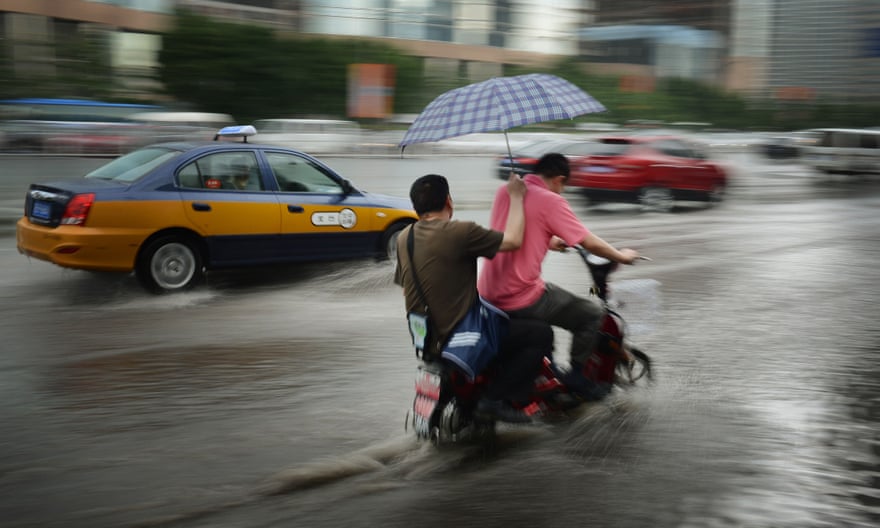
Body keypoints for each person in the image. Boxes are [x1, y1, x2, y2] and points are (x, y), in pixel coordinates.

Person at [394, 173, 553, 423]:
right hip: (459, 338)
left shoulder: (405, 238)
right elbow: (512, 241)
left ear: (416, 207)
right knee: (540, 333)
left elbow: (406, 287)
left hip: (425, 341)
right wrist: (515, 197)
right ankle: (495, 399)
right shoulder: (460, 231)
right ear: (448, 201)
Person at [477, 153, 639, 399]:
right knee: (591, 314)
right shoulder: (551, 200)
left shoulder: (507, 191)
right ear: (559, 179)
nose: (562, 192)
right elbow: (589, 242)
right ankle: (577, 376)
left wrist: (551, 240)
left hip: (488, 292)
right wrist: (621, 256)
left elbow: (513, 227)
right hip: (519, 296)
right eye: (563, 187)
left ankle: (546, 378)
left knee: (552, 300)